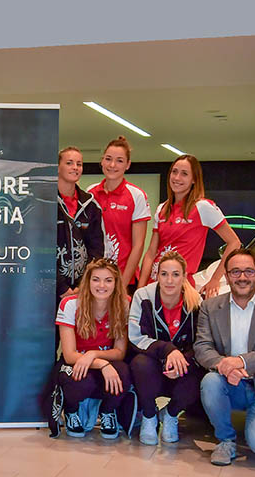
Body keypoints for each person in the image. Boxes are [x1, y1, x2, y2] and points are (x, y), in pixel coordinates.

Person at [194, 248, 255, 465]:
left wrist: (241, 361)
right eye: (235, 272)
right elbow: (202, 347)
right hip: (229, 383)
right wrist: (224, 365)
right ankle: (226, 440)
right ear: (227, 276)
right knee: (210, 381)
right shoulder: (210, 307)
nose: (242, 277)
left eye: (249, 271)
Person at [137, 154, 241, 298]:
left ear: (194, 180)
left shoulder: (203, 207)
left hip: (181, 288)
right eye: (174, 172)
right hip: (154, 285)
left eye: (184, 174)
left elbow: (234, 242)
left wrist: (215, 279)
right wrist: (141, 288)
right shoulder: (162, 208)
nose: (177, 178)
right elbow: (151, 253)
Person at [128, 251, 203, 446]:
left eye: (176, 274)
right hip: (152, 363)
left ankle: (170, 414)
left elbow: (201, 343)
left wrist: (181, 359)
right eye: (164, 274)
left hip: (182, 365)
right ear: (157, 275)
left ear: (184, 277)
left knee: (198, 372)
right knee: (139, 364)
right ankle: (149, 416)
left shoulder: (196, 302)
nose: (170, 280)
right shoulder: (143, 296)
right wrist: (168, 350)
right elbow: (135, 338)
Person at [55, 259, 132, 439]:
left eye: (108, 280)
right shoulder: (70, 304)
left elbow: (120, 352)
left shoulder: (124, 303)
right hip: (75, 362)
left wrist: (93, 355)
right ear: (88, 281)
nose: (102, 285)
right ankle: (71, 410)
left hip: (103, 359)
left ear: (116, 283)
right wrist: (101, 365)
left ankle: (107, 412)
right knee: (80, 381)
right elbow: (69, 355)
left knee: (124, 374)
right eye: (96, 279)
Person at [86, 136, 150, 291]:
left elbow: (138, 245)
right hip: (94, 280)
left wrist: (122, 284)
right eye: (108, 159)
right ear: (102, 161)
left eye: (120, 160)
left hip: (123, 279)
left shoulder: (137, 196)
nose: (112, 165)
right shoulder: (89, 193)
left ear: (127, 165)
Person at [56, 146, 104, 300]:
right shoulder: (42, 202)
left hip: (81, 290)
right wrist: (60, 286)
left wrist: (84, 283)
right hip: (49, 289)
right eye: (69, 163)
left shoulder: (90, 205)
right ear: (57, 167)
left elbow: (96, 249)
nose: (75, 168)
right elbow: (37, 251)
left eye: (79, 164)